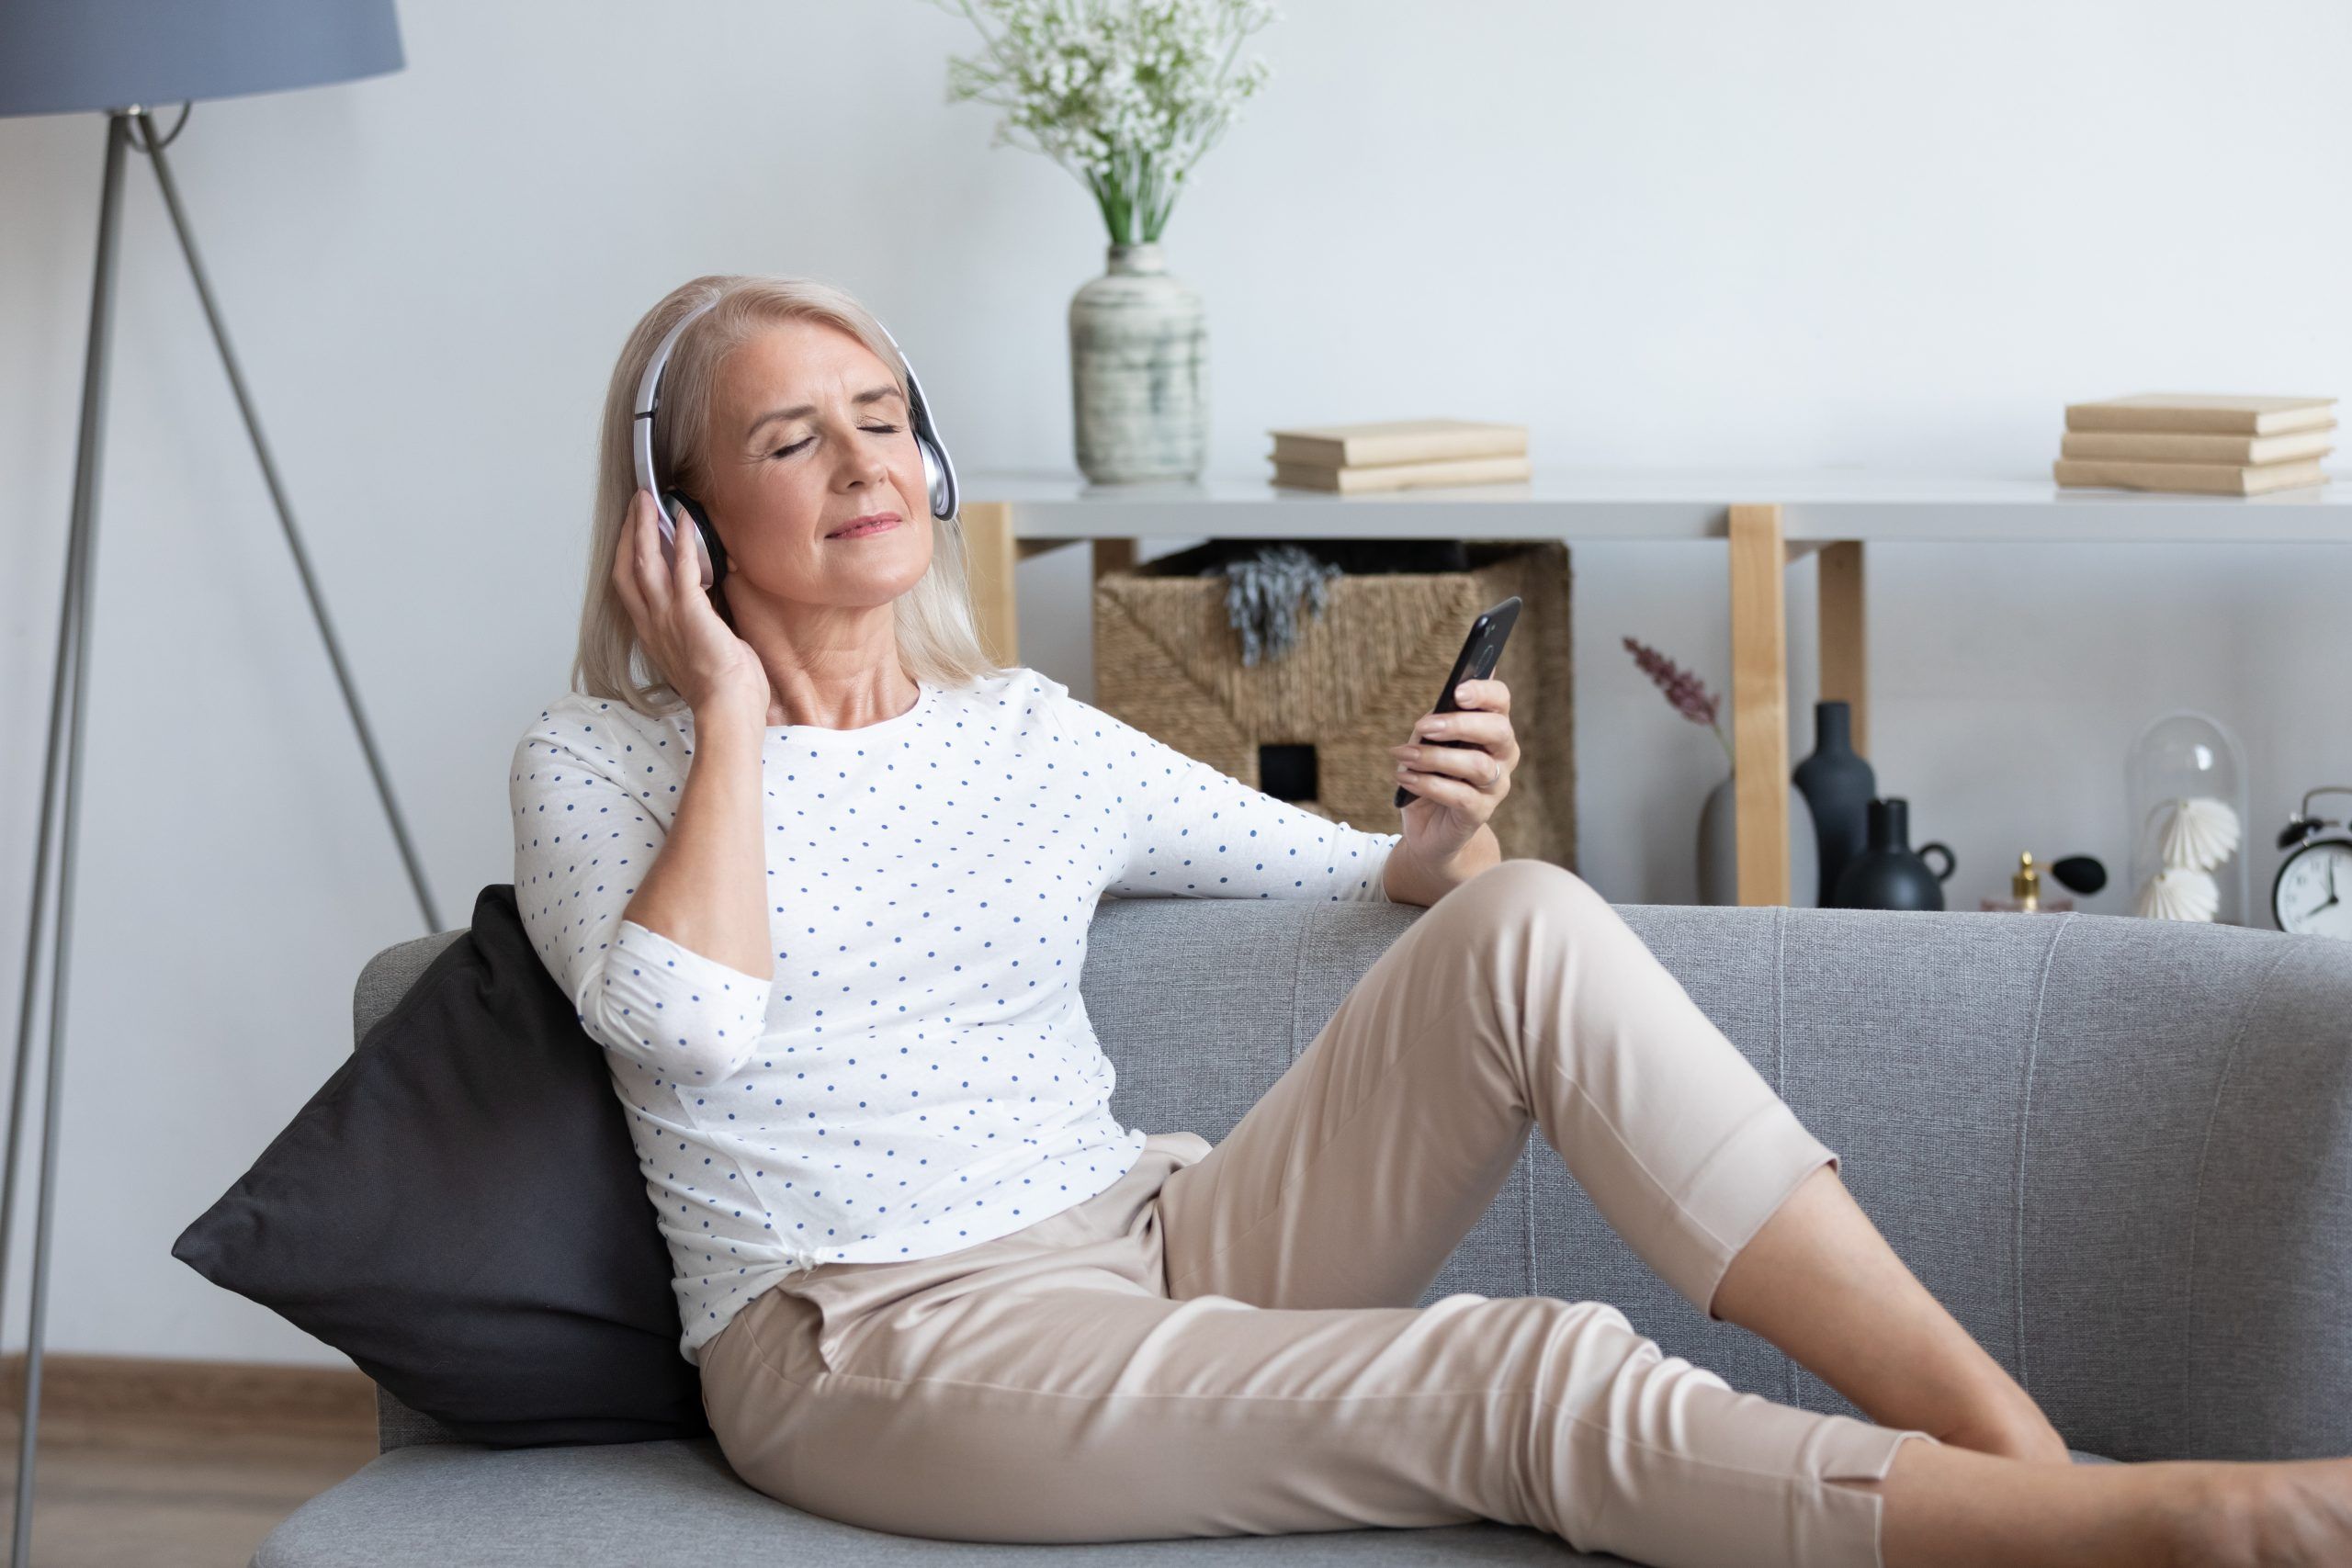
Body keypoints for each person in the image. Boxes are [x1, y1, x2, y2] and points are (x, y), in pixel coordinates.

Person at [508, 273, 2352, 1568]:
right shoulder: (602, 762)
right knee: (1517, 1368)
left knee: (1525, 919)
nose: (862, 463)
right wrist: (734, 714)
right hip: (870, 1343)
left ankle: (2007, 1451)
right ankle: (2156, 1529)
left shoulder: (1025, 737)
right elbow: (683, 1019)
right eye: (788, 438)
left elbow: (1361, 879)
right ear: (677, 523)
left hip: (1152, 1235)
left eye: (885, 420)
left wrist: (1438, 832)